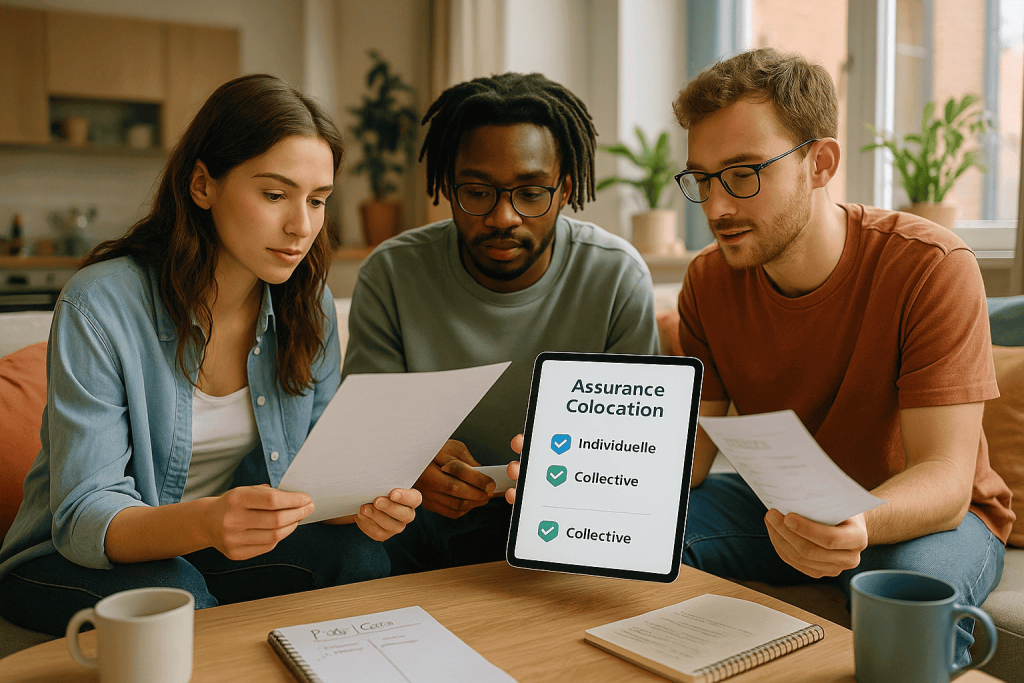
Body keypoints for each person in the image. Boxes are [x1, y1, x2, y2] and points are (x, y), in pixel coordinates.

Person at [0, 74, 421, 637]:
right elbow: (84, 517)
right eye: (275, 195)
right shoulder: (101, 302)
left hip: (216, 547)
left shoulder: (307, 303)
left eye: (317, 200)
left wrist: (360, 503)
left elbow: (307, 478)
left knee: (360, 554)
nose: (301, 226)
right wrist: (207, 520)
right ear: (203, 185)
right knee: (175, 591)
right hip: (68, 559)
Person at [669, 48, 1013, 664]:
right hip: (782, 503)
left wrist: (855, 519)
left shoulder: (930, 267)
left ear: (820, 163)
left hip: (923, 516)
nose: (716, 207)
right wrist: (580, 476)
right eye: (703, 179)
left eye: (743, 174)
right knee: (634, 537)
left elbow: (946, 479)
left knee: (909, 603)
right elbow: (690, 457)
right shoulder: (707, 282)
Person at [342, 72, 660, 575]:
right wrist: (409, 466)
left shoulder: (616, 276)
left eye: (531, 193)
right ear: (447, 188)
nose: (503, 217)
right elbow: (364, 443)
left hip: (565, 519)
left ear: (565, 191)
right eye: (477, 192)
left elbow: (633, 456)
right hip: (420, 520)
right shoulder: (392, 273)